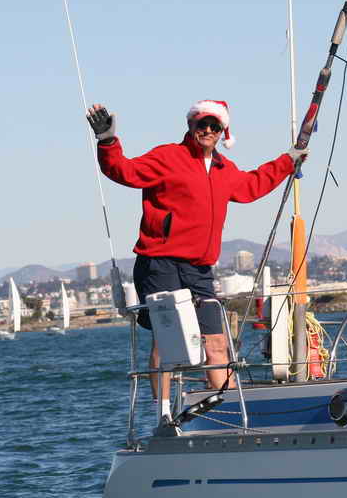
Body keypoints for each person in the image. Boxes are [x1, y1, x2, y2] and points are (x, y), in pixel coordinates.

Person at [87, 99, 307, 420]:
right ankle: (163, 416)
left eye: (215, 126)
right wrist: (107, 140)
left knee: (216, 343)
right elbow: (123, 171)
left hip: (200, 268)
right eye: (202, 123)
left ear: (223, 132)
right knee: (167, 341)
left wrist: (287, 161)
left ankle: (232, 415)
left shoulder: (224, 169)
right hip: (159, 262)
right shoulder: (167, 156)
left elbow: (252, 186)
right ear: (190, 125)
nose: (207, 130)